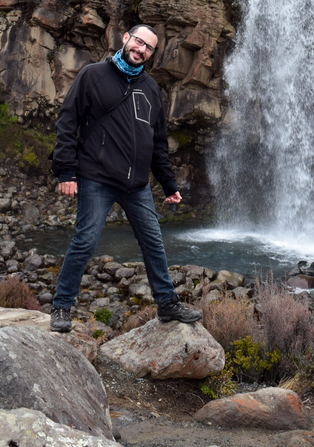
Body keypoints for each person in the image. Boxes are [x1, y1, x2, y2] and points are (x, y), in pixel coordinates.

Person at [49, 24, 201, 332]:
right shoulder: (93, 75)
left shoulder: (151, 89)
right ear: (126, 38)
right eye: (139, 42)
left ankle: (167, 303)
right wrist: (66, 171)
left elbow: (157, 142)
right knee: (85, 241)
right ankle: (62, 305)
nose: (141, 49)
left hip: (136, 185)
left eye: (148, 48)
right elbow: (67, 122)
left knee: (153, 242)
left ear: (151, 54)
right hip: (97, 177)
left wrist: (168, 184)